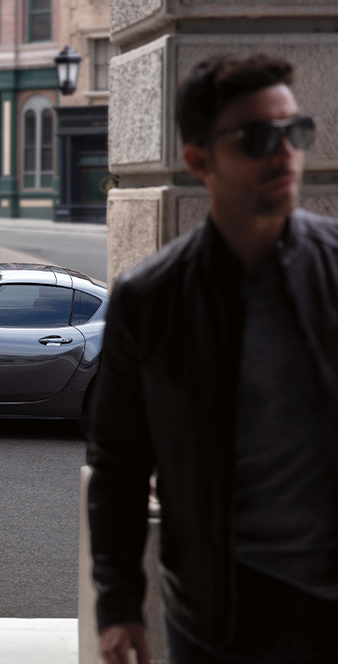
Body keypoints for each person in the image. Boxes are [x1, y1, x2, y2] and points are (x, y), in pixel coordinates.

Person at [88, 54, 338, 664]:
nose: (284, 154)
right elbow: (118, 463)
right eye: (256, 138)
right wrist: (119, 607)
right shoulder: (151, 299)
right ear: (199, 160)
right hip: (219, 614)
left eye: (294, 132)